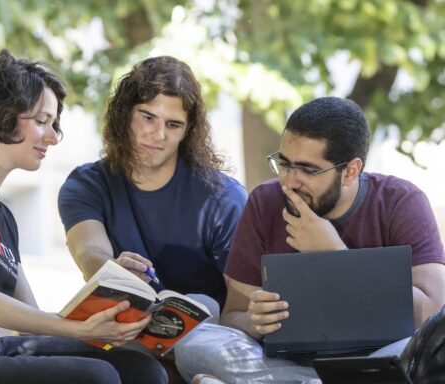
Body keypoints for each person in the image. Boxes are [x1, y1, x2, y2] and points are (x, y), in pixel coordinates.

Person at [174, 96, 445, 383]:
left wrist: (336, 255)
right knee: (194, 342)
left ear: (350, 171)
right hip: (286, 363)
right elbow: (233, 317)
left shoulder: (400, 201)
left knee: (411, 356)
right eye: (284, 163)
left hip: (375, 361)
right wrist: (255, 322)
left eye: (308, 170)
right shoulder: (264, 203)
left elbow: (432, 317)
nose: (289, 181)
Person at [0, 50, 167, 384]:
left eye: (54, 124)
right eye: (41, 121)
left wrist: (104, 313)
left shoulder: (4, 216)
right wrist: (74, 328)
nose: (54, 137)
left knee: (140, 368)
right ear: (0, 113)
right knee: (96, 376)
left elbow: (31, 317)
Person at [57, 56, 247, 315]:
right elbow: (89, 253)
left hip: (207, 342)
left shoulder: (224, 199)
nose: (158, 135)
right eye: (148, 117)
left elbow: (241, 310)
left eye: (173, 124)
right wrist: (114, 272)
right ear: (125, 114)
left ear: (188, 130)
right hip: (122, 334)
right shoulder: (87, 185)